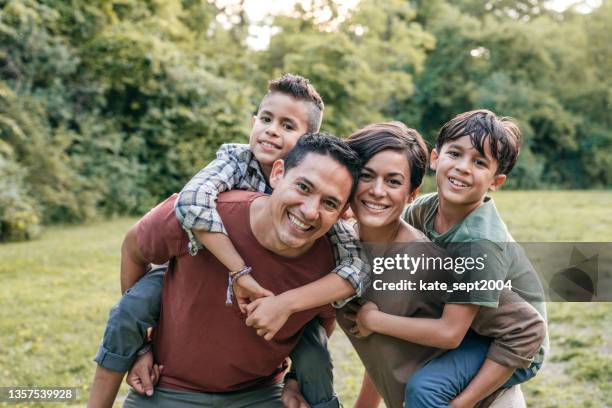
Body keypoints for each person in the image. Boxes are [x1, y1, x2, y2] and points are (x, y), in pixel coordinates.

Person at [88, 74, 367, 407]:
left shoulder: (323, 225)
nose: (272, 130)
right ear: (280, 173)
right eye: (266, 119)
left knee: (314, 346)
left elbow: (356, 269)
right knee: (134, 305)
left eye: (287, 126)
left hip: (263, 368)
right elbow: (191, 203)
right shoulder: (233, 165)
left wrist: (287, 312)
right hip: (198, 258)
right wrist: (240, 272)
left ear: (309, 140)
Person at [283, 121, 546, 408]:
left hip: (517, 345)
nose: (378, 191)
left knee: (425, 389)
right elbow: (385, 351)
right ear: (436, 157)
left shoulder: (477, 247)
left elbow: (466, 331)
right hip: (473, 334)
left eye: (393, 181)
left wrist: (462, 403)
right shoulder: (423, 211)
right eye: (455, 154)